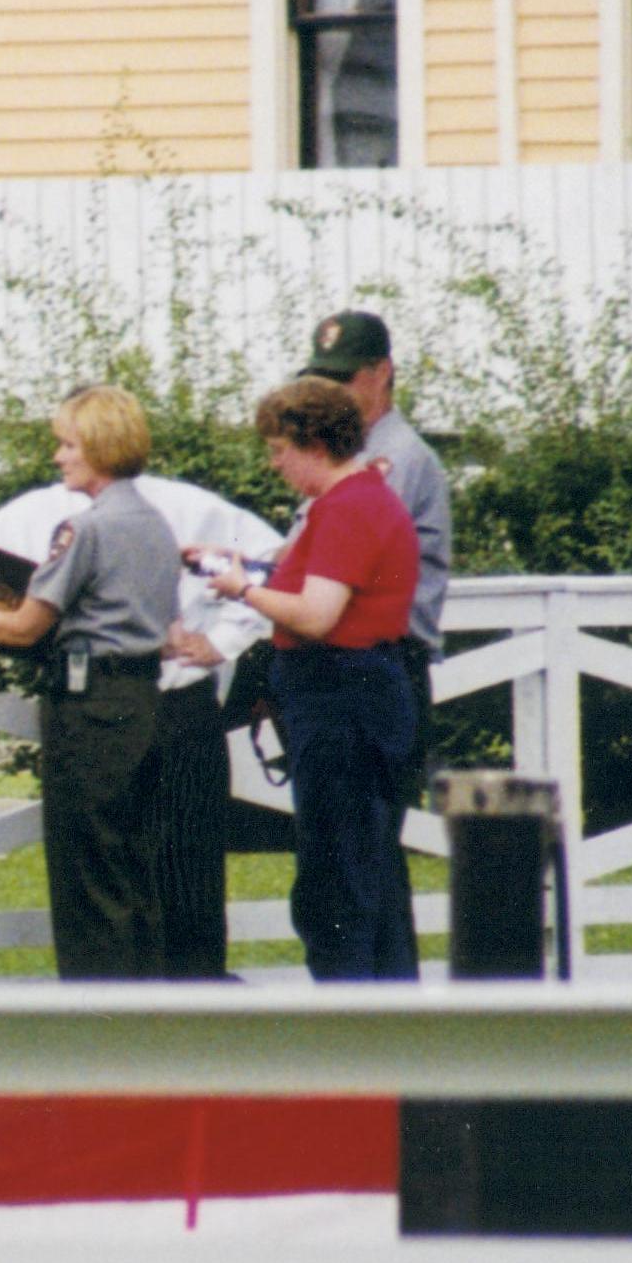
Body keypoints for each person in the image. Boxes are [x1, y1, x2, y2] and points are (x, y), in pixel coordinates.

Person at [0, 385, 185, 979]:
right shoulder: (157, 526)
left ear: (98, 447)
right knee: (131, 866)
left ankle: (97, 1025)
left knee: (87, 868)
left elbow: (24, 627)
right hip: (142, 699)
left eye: (67, 445)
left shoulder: (85, 530)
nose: (59, 457)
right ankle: (145, 1017)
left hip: (90, 706)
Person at [0, 469, 280, 979]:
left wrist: (223, 641)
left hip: (176, 702)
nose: (59, 454)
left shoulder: (187, 504)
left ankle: (192, 1024)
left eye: (71, 440)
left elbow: (276, 563)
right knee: (94, 878)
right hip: (86, 705)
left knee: (186, 876)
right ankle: (101, 1025)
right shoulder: (30, 515)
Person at [199, 376, 421, 982]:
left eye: (278, 449)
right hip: (359, 694)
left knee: (335, 880)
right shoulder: (363, 500)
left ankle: (350, 1032)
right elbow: (325, 586)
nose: (274, 464)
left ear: (312, 443)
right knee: (366, 868)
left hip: (340, 699)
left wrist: (243, 589)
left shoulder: (346, 509)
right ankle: (388, 1027)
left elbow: (318, 615)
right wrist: (256, 570)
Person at [304, 308, 450, 729]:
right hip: (350, 657)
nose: (329, 391)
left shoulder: (398, 458)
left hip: (384, 660)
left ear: (382, 372)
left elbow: (346, 555)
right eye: (323, 379)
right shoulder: (344, 454)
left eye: (342, 378)